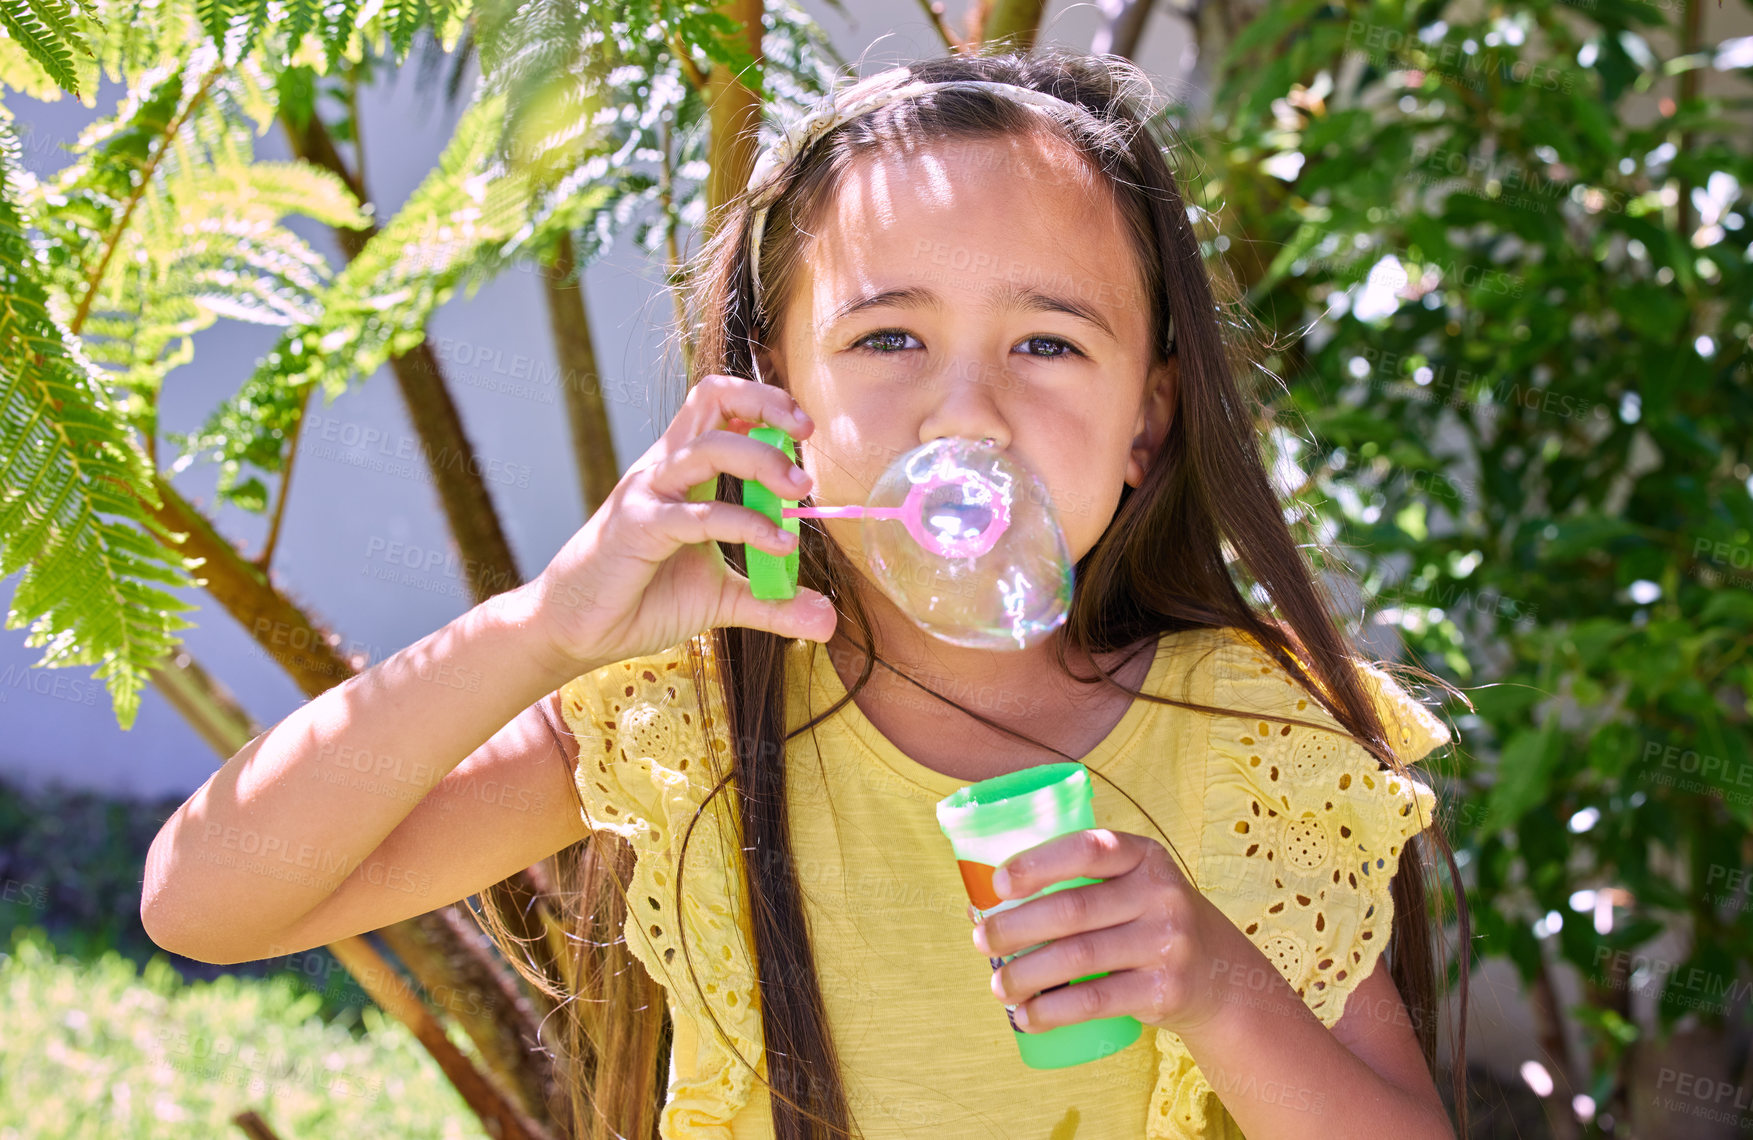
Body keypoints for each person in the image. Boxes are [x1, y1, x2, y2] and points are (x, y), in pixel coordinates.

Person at [142, 45, 1468, 1140]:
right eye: (888, 336)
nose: (968, 410)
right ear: (774, 392)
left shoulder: (1257, 735)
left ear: (1146, 423)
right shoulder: (687, 719)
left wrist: (1222, 988)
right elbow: (205, 899)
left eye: (1048, 342)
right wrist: (543, 628)